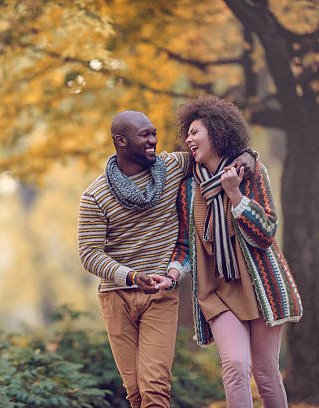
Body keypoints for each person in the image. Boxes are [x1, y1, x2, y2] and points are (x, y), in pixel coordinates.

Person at [77, 110, 255, 408]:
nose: (153, 140)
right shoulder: (95, 196)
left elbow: (214, 153)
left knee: (156, 388)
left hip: (161, 293)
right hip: (116, 297)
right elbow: (89, 254)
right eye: (144, 135)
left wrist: (248, 155)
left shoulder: (172, 166)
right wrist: (131, 276)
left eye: (154, 133)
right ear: (120, 141)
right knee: (135, 391)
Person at [165, 95, 303, 408]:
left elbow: (266, 232)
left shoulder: (252, 174)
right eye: (187, 133)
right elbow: (186, 245)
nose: (188, 138)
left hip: (260, 287)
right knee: (235, 366)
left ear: (217, 132)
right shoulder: (188, 189)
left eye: (195, 132)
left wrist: (235, 194)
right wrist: (173, 272)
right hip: (218, 293)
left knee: (266, 371)